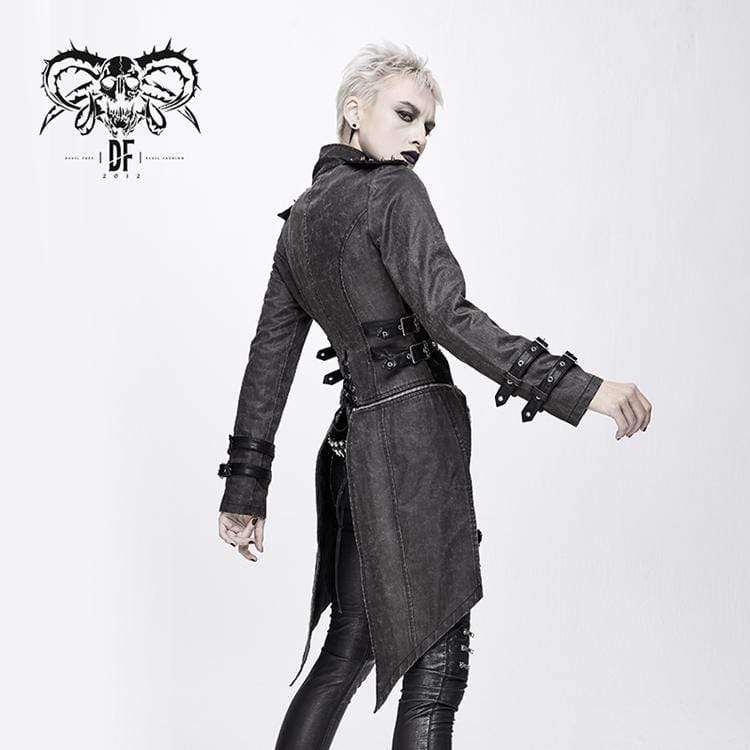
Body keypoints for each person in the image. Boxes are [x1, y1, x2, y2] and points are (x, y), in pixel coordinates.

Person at [216, 41, 652, 749]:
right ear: (354, 111)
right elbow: (450, 316)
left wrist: (245, 489)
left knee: (347, 648)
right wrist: (580, 389)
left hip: (351, 446)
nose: (418, 137)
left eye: (428, 126)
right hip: (413, 447)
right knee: (437, 667)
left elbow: (269, 360)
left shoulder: (301, 221)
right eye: (405, 115)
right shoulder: (393, 191)